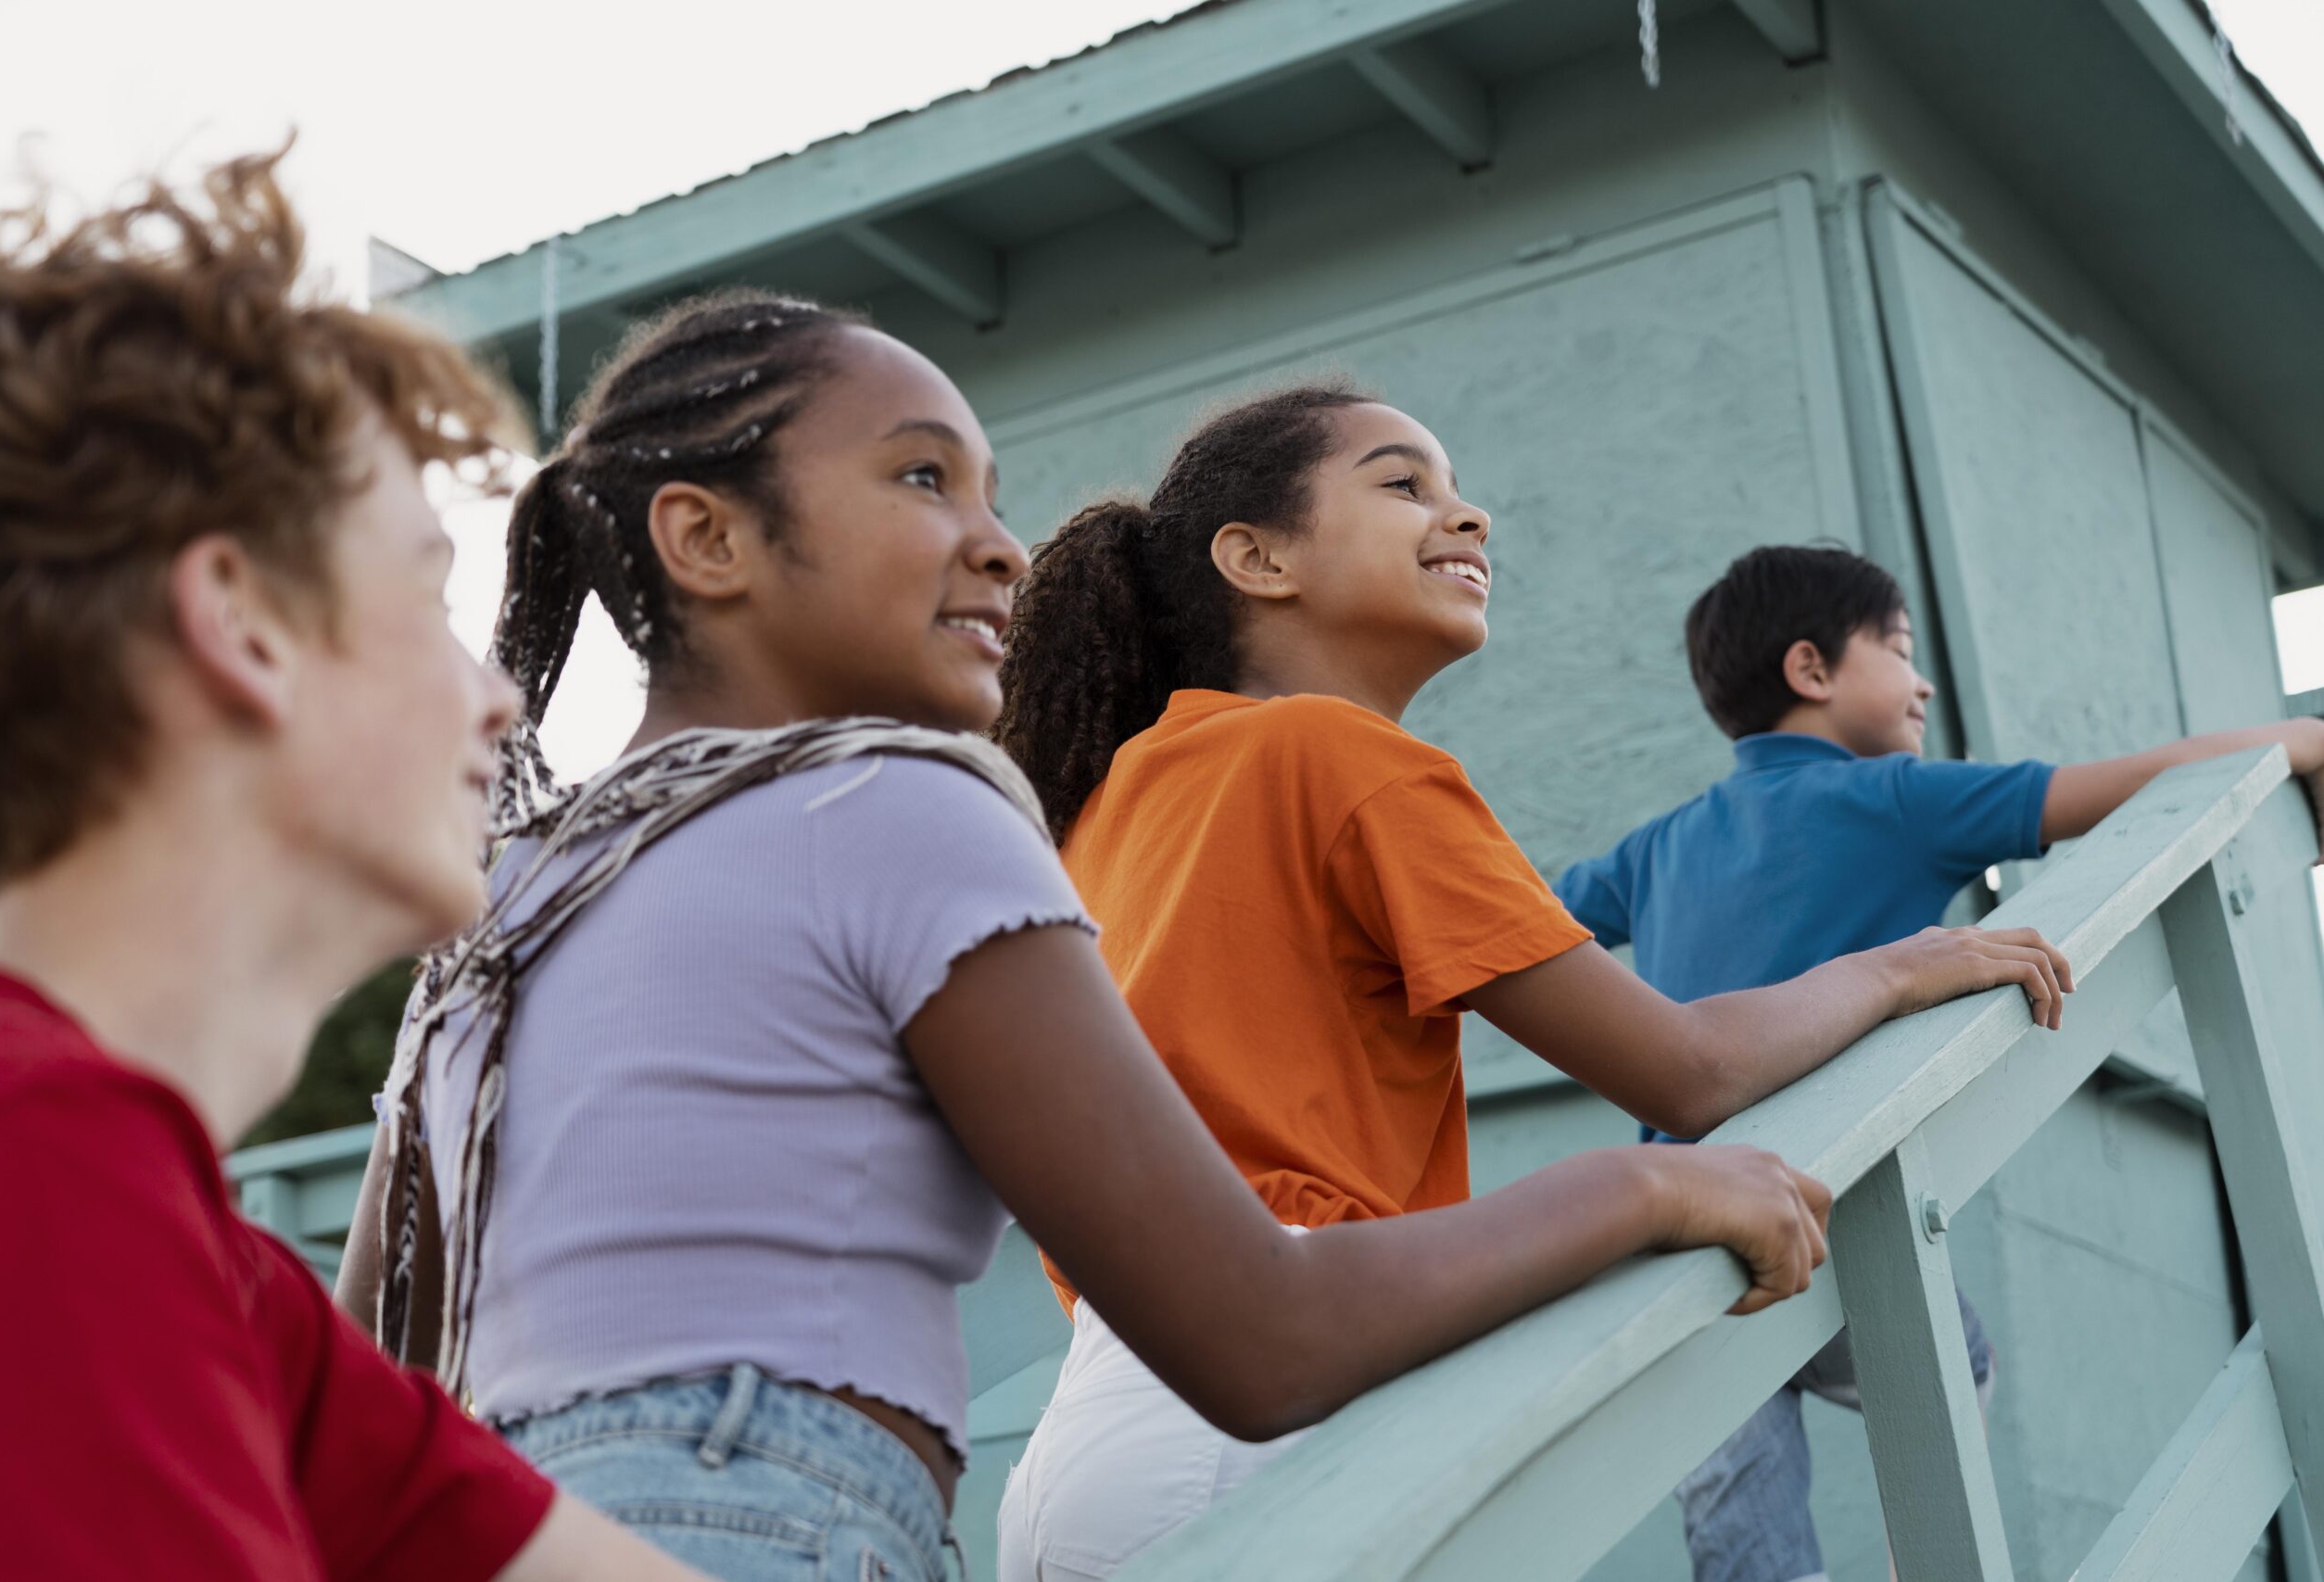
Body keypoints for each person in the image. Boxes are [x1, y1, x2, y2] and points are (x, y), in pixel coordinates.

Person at [330, 300, 1951, 1582]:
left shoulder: (513, 893)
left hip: (535, 1514)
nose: (1001, 543)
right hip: (828, 1500)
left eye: (990, 489)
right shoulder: (914, 802)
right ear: (705, 540)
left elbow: (363, 1367)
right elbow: (1266, 1330)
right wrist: (1653, 1174)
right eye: (920, 477)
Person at [983, 384, 2073, 1580]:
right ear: (1255, 555)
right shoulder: (1347, 756)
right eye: (1405, 484)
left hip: (1103, 1433)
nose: (1470, 515)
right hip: (1273, 1420)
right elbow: (1688, 1068)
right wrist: (1903, 961)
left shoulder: (1122, 792)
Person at [0, 150, 721, 1580]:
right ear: (242, 625)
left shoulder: (208, 1276)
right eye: (430, 596)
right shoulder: (20, 1159)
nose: (496, 696)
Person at [1546, 541, 2324, 1582]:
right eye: (1901, 652)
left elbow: (1533, 917)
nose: (1921, 682)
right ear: (1811, 670)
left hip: (1686, 1220)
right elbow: (2132, 785)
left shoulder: (1655, 847)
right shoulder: (1901, 798)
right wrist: (2305, 738)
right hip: (1832, 1208)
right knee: (1949, 1366)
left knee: (1730, 1474)